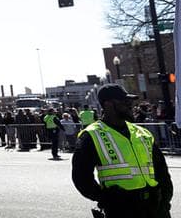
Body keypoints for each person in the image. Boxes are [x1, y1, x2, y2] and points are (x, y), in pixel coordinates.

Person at [72, 84, 173, 218]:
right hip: (122, 210)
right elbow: (81, 177)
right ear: (108, 104)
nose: (130, 104)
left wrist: (165, 200)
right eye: (124, 101)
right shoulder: (91, 135)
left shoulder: (142, 133)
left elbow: (161, 170)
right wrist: (106, 199)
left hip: (155, 206)